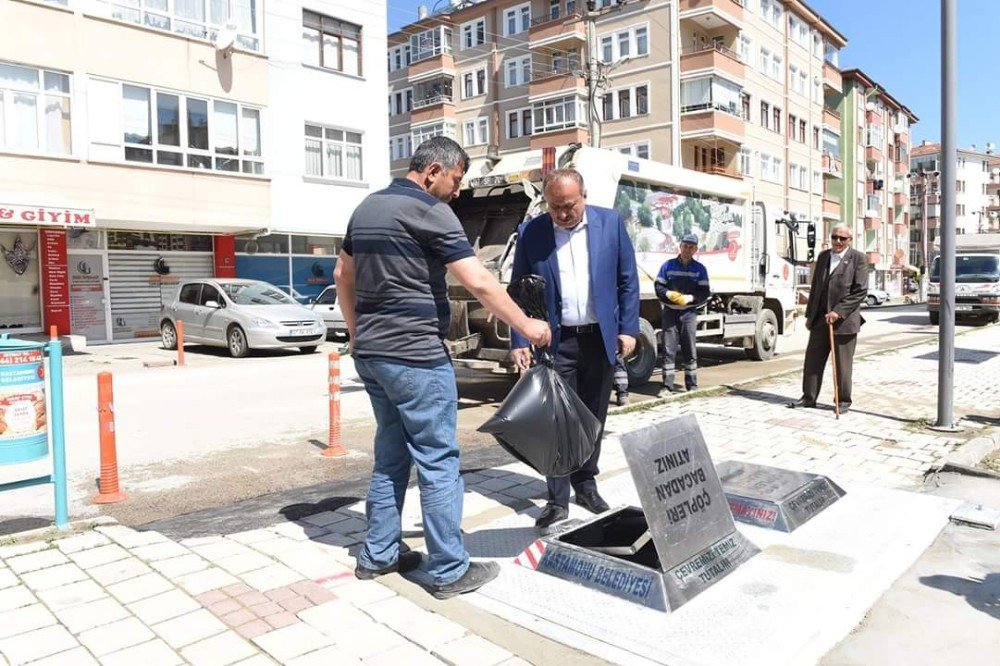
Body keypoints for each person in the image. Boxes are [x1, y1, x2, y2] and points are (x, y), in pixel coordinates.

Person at [335, 137, 551, 599]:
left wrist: (357, 336)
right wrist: (527, 327)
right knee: (438, 461)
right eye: (456, 180)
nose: (457, 191)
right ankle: (450, 570)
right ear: (433, 171)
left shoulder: (366, 208)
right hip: (415, 356)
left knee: (391, 456)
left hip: (373, 357)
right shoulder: (431, 211)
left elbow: (342, 277)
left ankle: (379, 554)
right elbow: (478, 280)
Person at [509, 169, 640, 534]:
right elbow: (518, 288)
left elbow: (627, 280)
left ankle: (586, 484)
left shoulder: (610, 224)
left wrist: (629, 329)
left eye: (569, 206)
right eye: (555, 208)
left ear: (584, 195)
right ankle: (556, 498)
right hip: (556, 340)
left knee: (593, 415)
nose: (563, 214)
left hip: (600, 338)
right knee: (556, 422)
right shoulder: (533, 232)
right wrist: (519, 339)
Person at [788, 223, 868, 413]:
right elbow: (815, 289)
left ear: (849, 240)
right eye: (834, 237)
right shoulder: (823, 257)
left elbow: (860, 292)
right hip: (820, 320)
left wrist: (838, 311)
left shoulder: (858, 259)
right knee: (812, 361)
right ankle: (808, 397)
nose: (838, 241)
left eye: (842, 238)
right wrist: (809, 316)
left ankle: (842, 401)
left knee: (842, 365)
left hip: (844, 322)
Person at [654, 233, 710, 396]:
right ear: (680, 246)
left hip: (688, 314)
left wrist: (691, 298)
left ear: (695, 250)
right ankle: (667, 387)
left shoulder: (700, 269)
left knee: (689, 349)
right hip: (670, 313)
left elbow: (705, 291)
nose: (687, 249)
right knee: (668, 350)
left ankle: (691, 385)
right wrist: (668, 295)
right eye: (685, 246)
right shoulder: (668, 266)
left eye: (691, 247)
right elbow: (658, 287)